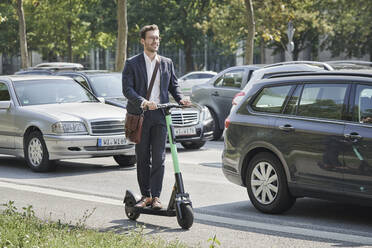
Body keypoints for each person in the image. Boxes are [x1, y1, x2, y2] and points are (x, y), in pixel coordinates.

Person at [122, 24, 191, 210]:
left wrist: (181, 99)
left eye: (158, 37)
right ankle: (145, 195)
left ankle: (156, 197)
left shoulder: (166, 62)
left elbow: (173, 86)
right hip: (141, 116)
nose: (156, 41)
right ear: (143, 41)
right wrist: (143, 101)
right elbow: (127, 90)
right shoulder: (132, 63)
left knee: (159, 158)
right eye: (152, 38)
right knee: (143, 157)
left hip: (160, 115)